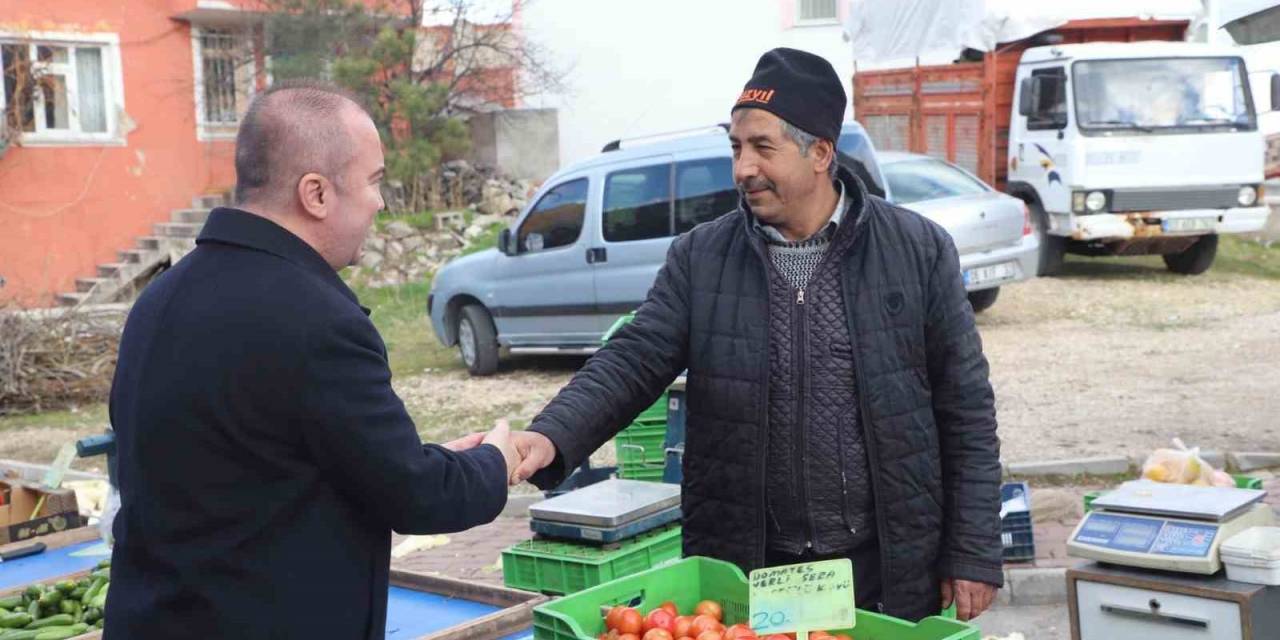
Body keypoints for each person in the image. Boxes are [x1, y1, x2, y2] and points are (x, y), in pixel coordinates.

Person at [508, 48, 1003, 622]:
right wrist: (551, 436)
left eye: (763, 148)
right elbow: (634, 359)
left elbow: (966, 408)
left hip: (886, 566)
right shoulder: (702, 257)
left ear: (820, 153)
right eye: (736, 148)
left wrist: (973, 549)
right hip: (750, 571)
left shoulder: (916, 251)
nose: (743, 168)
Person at [105, 81, 518, 639]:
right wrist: (495, 461)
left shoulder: (161, 297)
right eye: (374, 181)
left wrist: (425, 458)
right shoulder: (316, 320)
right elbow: (419, 497)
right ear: (316, 193)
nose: (380, 203)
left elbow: (258, 461)